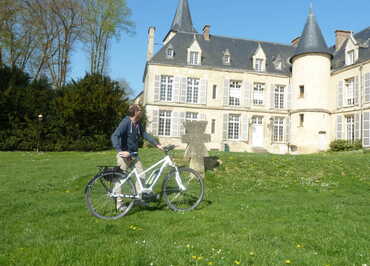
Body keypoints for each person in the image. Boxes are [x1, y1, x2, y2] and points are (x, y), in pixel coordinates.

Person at [111, 104, 163, 210]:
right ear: (135, 112)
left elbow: (144, 134)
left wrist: (156, 144)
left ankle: (138, 200)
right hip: (124, 156)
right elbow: (114, 135)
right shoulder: (126, 122)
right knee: (120, 179)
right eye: (140, 110)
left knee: (142, 176)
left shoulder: (137, 123)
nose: (142, 112)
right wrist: (120, 151)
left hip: (134, 155)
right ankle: (120, 204)